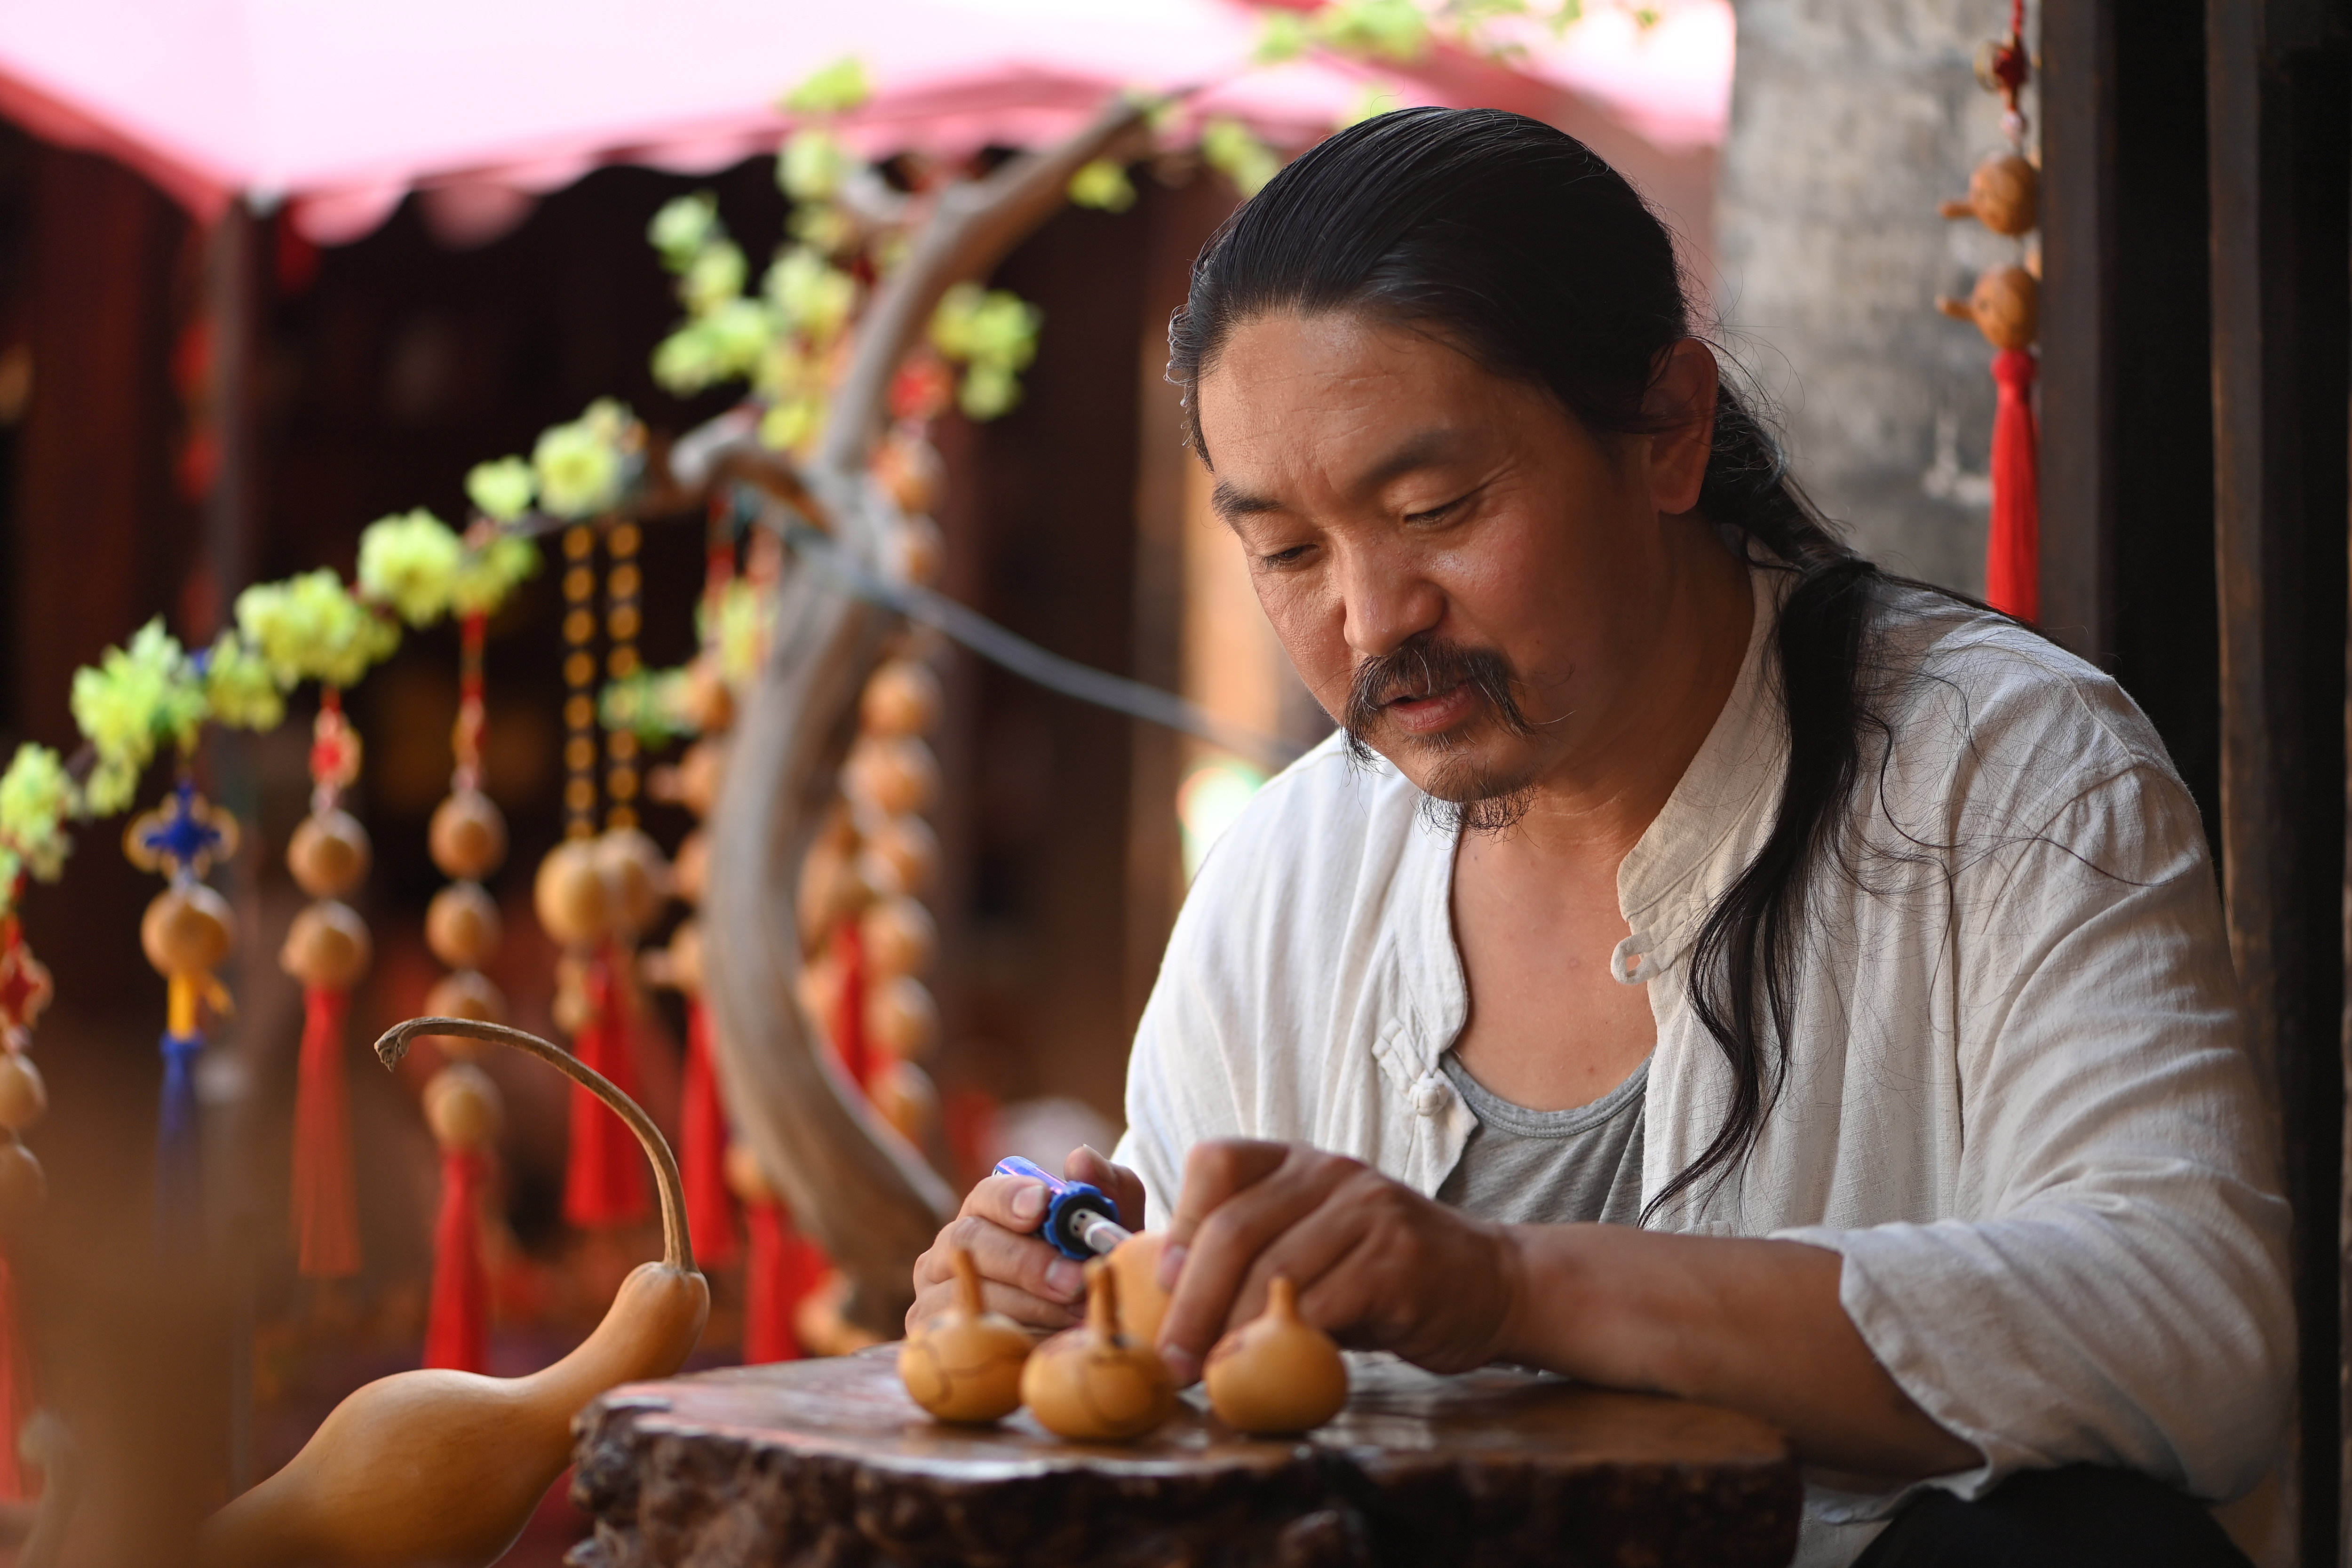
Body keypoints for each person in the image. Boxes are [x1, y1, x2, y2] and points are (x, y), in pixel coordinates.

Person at [907, 107, 2290, 1567]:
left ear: (1669, 430)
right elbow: (1182, 1364)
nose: (1372, 621)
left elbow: (2194, 1333)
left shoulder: (2002, 773)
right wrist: (1063, 1288)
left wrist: (1513, 1290)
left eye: (1435, 507)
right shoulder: (1289, 869)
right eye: (1289, 553)